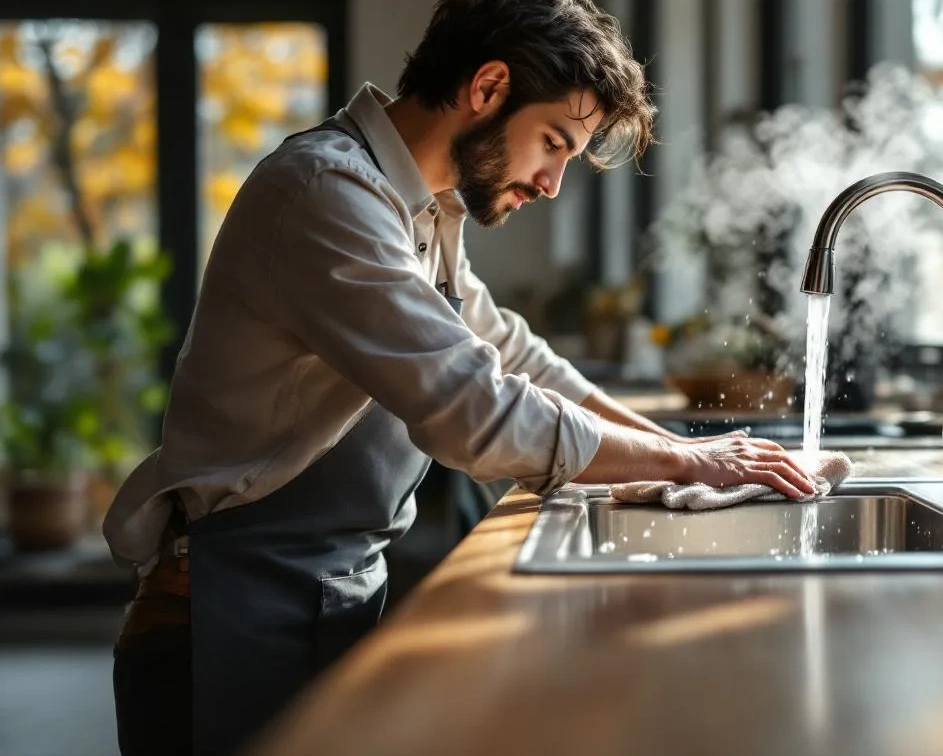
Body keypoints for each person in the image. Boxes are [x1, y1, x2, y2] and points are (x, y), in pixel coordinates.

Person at [104, 1, 816, 755]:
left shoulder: (422, 207)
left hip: (316, 590)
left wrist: (678, 450)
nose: (551, 183)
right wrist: (688, 459)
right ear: (487, 87)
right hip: (222, 613)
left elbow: (510, 355)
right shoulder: (326, 194)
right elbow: (478, 410)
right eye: (553, 142)